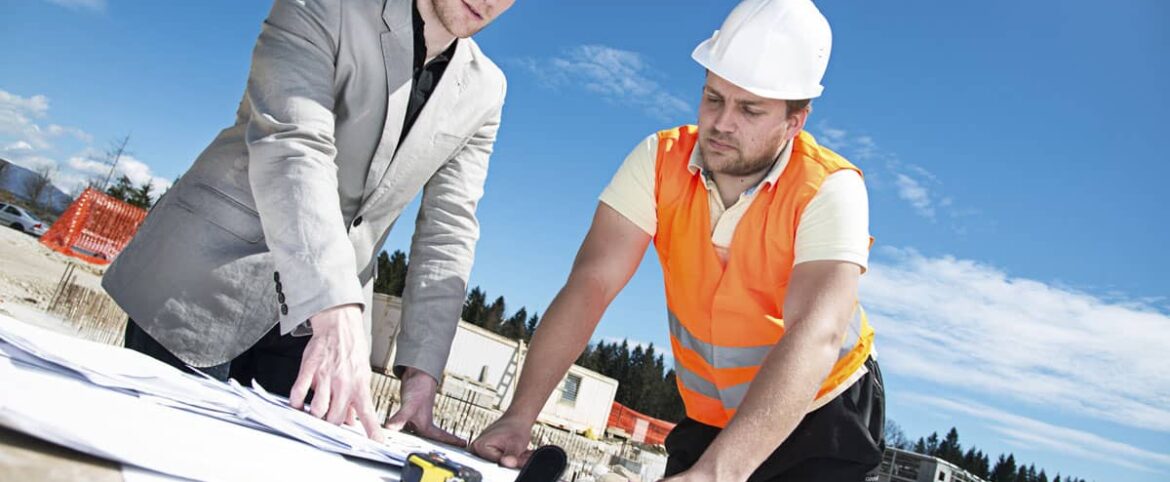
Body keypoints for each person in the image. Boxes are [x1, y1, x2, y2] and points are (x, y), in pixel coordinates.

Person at [470, 0, 884, 479]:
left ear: (795, 121)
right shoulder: (658, 159)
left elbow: (817, 334)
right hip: (710, 415)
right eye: (713, 98)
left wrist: (717, 473)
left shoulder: (831, 188)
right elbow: (592, 284)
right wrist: (519, 416)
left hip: (822, 413)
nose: (723, 123)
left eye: (750, 109)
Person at [102, 0, 515, 442]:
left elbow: (449, 229)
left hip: (312, 341)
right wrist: (335, 305)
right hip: (205, 286)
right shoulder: (327, 5)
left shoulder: (488, 89)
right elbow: (293, 144)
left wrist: (421, 374)